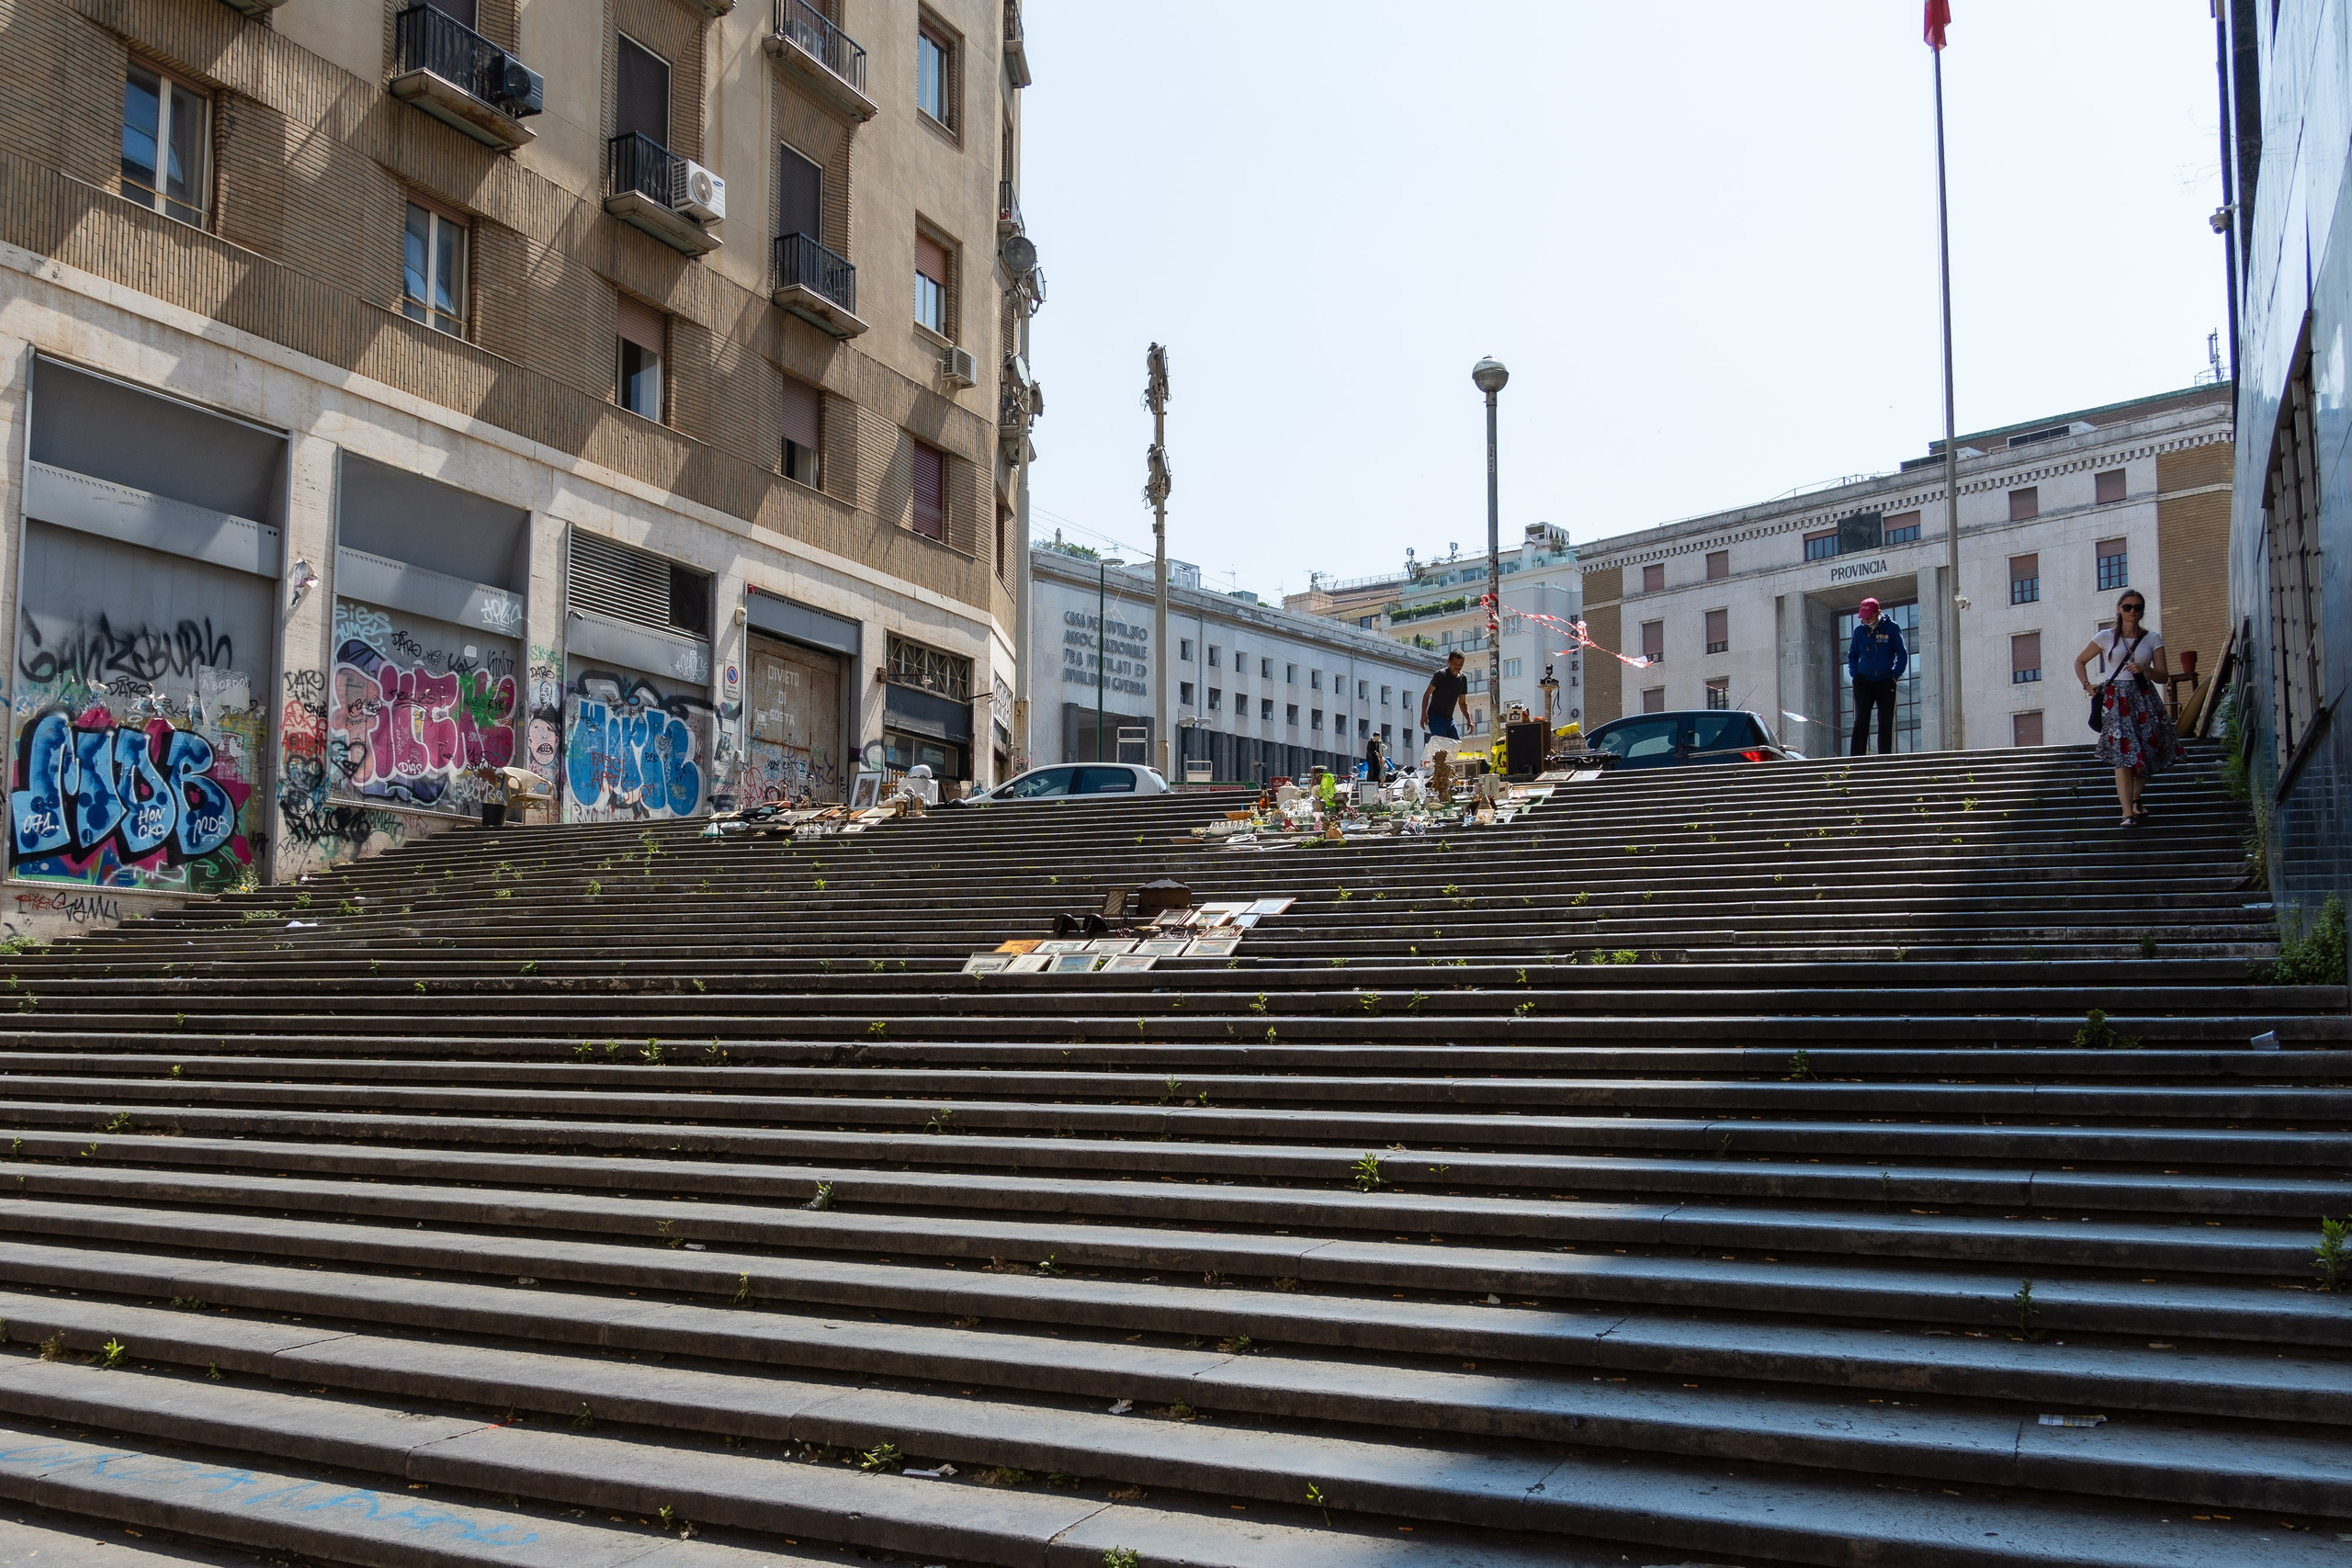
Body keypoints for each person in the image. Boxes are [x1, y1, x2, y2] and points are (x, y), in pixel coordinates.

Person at [2074, 590, 2181, 827]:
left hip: (2144, 697)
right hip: (2116, 700)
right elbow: (2079, 661)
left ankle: (2135, 797)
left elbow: (2163, 676)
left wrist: (2145, 668)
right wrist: (2087, 686)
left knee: (2148, 750)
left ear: (2142, 610)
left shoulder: (2152, 638)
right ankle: (2127, 813)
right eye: (2128, 606)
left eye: (2138, 607)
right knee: (2123, 756)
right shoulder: (2105, 636)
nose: (2133, 611)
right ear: (2119, 609)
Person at [1847, 597, 1908, 756]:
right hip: (1863, 681)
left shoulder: (1892, 628)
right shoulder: (1858, 631)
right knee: (1861, 719)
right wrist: (1854, 675)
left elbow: (1902, 654)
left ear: (1878, 612)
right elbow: (1852, 655)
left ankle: (1885, 756)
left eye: (1870, 616)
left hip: (1886, 681)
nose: (1867, 619)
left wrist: (1894, 676)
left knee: (1885, 720)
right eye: (1864, 617)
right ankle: (1856, 757)